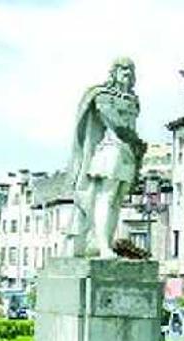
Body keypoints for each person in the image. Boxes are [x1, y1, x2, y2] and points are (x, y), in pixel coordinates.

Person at [66, 57, 147, 258]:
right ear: (114, 72)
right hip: (111, 149)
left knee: (117, 200)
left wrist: (136, 146)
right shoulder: (102, 95)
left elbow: (130, 126)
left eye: (130, 70)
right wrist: (135, 140)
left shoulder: (133, 99)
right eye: (123, 69)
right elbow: (114, 122)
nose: (127, 74)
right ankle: (102, 245)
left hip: (128, 152)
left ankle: (104, 243)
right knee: (105, 196)